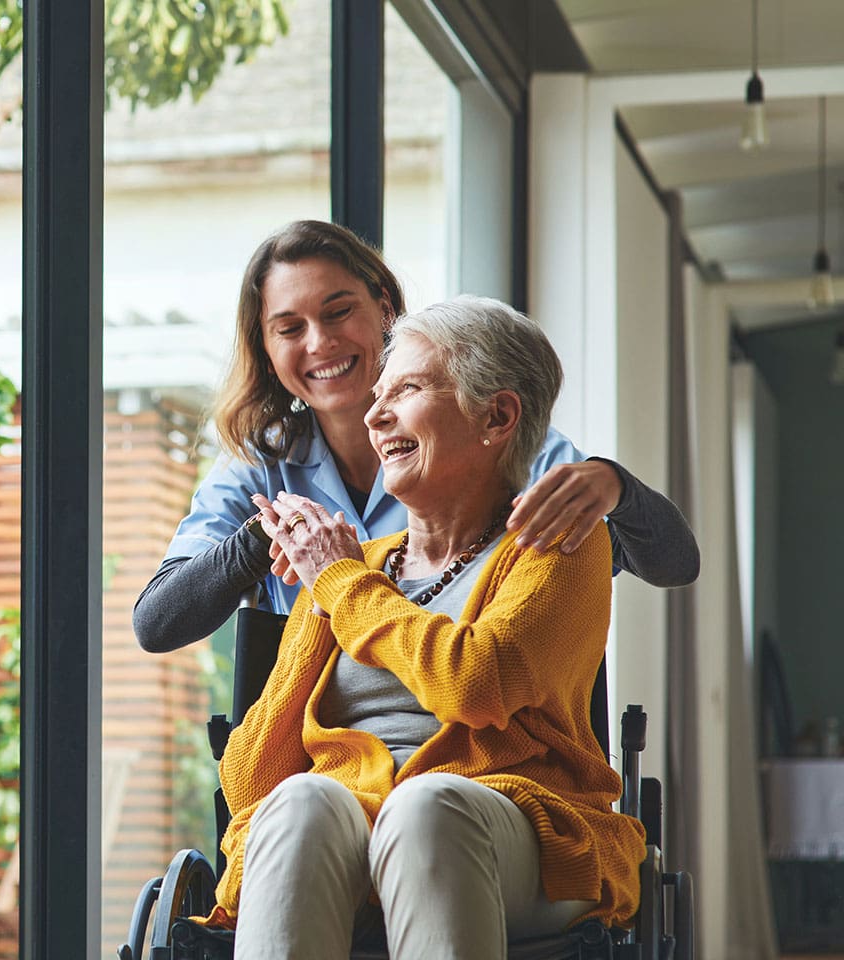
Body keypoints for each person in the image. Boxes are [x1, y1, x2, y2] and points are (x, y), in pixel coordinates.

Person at [204, 296, 647, 959]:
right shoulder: (353, 568)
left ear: (496, 416)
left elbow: (478, 681)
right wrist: (324, 601)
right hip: (353, 830)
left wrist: (340, 585)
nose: (373, 415)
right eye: (376, 395)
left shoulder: (559, 544)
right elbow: (249, 782)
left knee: (427, 808)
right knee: (297, 804)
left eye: (405, 390)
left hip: (522, 829)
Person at [133, 220, 698, 653]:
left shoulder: (494, 435)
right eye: (289, 328)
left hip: (479, 741)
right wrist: (263, 539)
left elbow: (673, 563)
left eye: (338, 313)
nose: (320, 343)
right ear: (265, 346)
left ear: (385, 308)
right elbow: (157, 624)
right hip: (323, 751)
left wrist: (613, 485)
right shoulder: (263, 465)